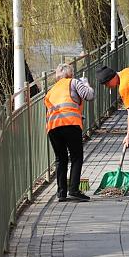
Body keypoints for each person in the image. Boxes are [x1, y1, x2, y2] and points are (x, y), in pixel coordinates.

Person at [45, 63, 95, 202]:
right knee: (76, 156)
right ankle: (73, 190)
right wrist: (85, 84)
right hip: (70, 125)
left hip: (53, 127)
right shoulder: (73, 82)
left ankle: (61, 193)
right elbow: (89, 96)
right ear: (70, 74)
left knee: (61, 159)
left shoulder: (51, 90)